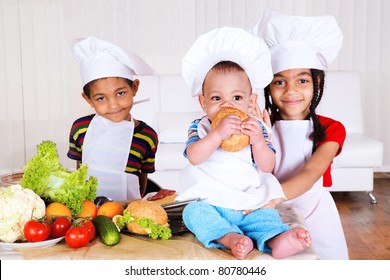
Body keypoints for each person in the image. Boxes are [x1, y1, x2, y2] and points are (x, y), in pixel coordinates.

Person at [175, 27, 311, 260]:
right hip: (213, 203)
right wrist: (216, 135)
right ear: (203, 102)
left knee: (267, 217)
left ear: (251, 100)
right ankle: (229, 238)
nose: (227, 104)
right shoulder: (200, 127)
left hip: (250, 203)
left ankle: (278, 239)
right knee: (193, 213)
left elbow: (268, 166)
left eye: (237, 98)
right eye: (217, 98)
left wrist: (258, 141)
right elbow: (194, 157)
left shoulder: (255, 128)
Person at [250, 8, 349, 260]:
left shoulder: (331, 129)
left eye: (302, 81)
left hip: (314, 213)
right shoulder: (261, 122)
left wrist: (271, 199)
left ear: (316, 83)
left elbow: (310, 173)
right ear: (268, 87)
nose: (291, 90)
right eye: (279, 81)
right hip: (267, 213)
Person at [67, 36, 158, 201]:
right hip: (88, 211)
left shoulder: (147, 136)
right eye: (101, 98)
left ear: (134, 87)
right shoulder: (80, 128)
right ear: (88, 99)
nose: (114, 105)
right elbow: (80, 171)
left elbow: (142, 179)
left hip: (127, 211)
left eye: (120, 93)